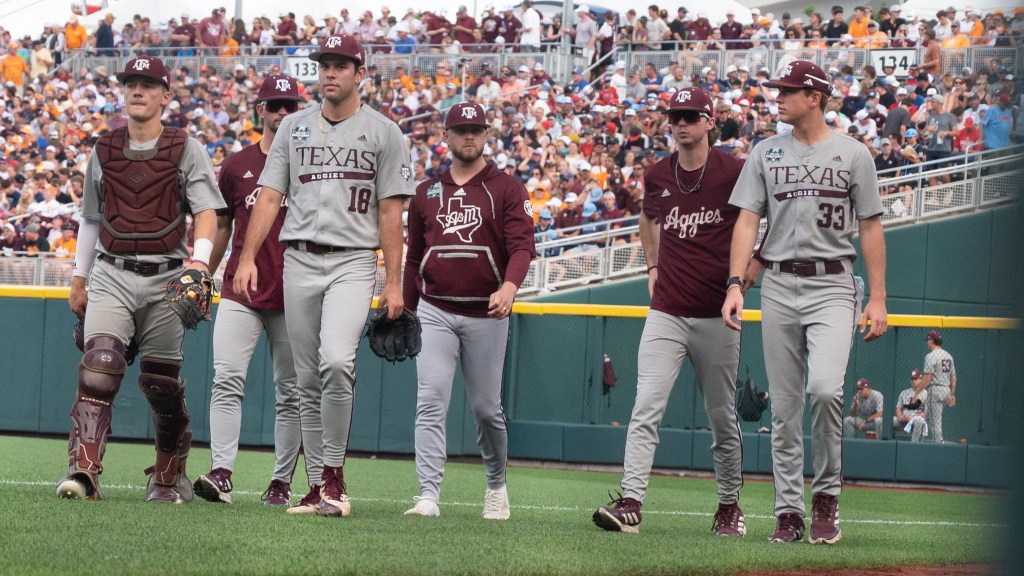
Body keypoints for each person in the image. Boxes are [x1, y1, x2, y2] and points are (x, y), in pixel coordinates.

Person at [233, 34, 412, 518]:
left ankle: (333, 474)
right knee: (305, 378)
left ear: (360, 73)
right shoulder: (293, 126)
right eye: (323, 64)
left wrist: (393, 281)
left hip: (354, 259)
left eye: (339, 64)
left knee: (336, 361)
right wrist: (248, 256)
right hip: (299, 259)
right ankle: (317, 488)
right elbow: (269, 197)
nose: (329, 72)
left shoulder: (384, 132)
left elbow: (392, 212)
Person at [722, 60, 888, 545]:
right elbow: (747, 221)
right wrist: (736, 283)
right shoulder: (765, 153)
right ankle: (789, 512)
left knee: (824, 390)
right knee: (786, 409)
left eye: (789, 90)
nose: (779, 97)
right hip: (777, 283)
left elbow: (872, 226)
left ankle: (827, 496)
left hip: (834, 284)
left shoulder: (854, 153)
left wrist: (877, 298)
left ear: (815, 97)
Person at [57, 56, 225, 503]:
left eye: (148, 84)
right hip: (112, 271)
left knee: (160, 384)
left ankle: (168, 473)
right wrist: (79, 277)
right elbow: (91, 218)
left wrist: (201, 263)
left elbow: (208, 211)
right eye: (131, 82)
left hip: (167, 276)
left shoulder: (185, 147)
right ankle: (84, 473)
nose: (137, 90)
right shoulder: (104, 147)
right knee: (100, 368)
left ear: (165, 95)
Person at [593, 87, 748, 536]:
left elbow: (761, 223)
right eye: (675, 116)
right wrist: (653, 263)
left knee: (721, 416)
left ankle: (728, 505)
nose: (680, 123)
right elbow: (648, 219)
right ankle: (630, 502)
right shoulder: (659, 173)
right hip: (667, 310)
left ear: (709, 121)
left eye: (690, 116)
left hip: (717, 314)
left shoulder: (733, 172)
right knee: (646, 405)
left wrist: (746, 274)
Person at [401, 102, 534, 520]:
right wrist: (406, 310)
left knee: (485, 409)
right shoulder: (426, 192)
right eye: (461, 130)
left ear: (487, 134)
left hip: (486, 313)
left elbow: (522, 247)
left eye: (476, 129)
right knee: (430, 399)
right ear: (446, 135)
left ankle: (496, 485)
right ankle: (428, 494)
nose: (469, 136)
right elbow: (413, 258)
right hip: (435, 309)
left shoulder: (508, 188)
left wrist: (510, 287)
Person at [192, 75, 308, 508]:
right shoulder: (238, 164)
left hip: (294, 292)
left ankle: (280, 482)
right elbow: (222, 224)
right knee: (226, 380)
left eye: (289, 105)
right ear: (260, 108)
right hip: (241, 289)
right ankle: (221, 472)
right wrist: (204, 271)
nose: (282, 112)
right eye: (275, 104)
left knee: (291, 392)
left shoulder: (312, 165)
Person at [919, 330, 957, 443]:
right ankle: (937, 440)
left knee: (935, 420)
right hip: (946, 390)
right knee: (930, 417)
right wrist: (952, 394)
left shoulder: (930, 356)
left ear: (931, 341)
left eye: (928, 341)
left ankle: (939, 444)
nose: (927, 343)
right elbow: (953, 376)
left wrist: (917, 393)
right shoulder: (948, 355)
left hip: (935, 389)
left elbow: (927, 378)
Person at [895, 370, 929, 442]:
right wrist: (900, 416)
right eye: (912, 378)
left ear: (921, 379)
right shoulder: (904, 392)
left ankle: (913, 445)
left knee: (919, 421)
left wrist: (913, 417)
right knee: (886, 421)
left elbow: (925, 413)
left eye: (916, 379)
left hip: (915, 420)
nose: (913, 381)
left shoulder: (926, 394)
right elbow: (898, 408)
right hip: (903, 420)